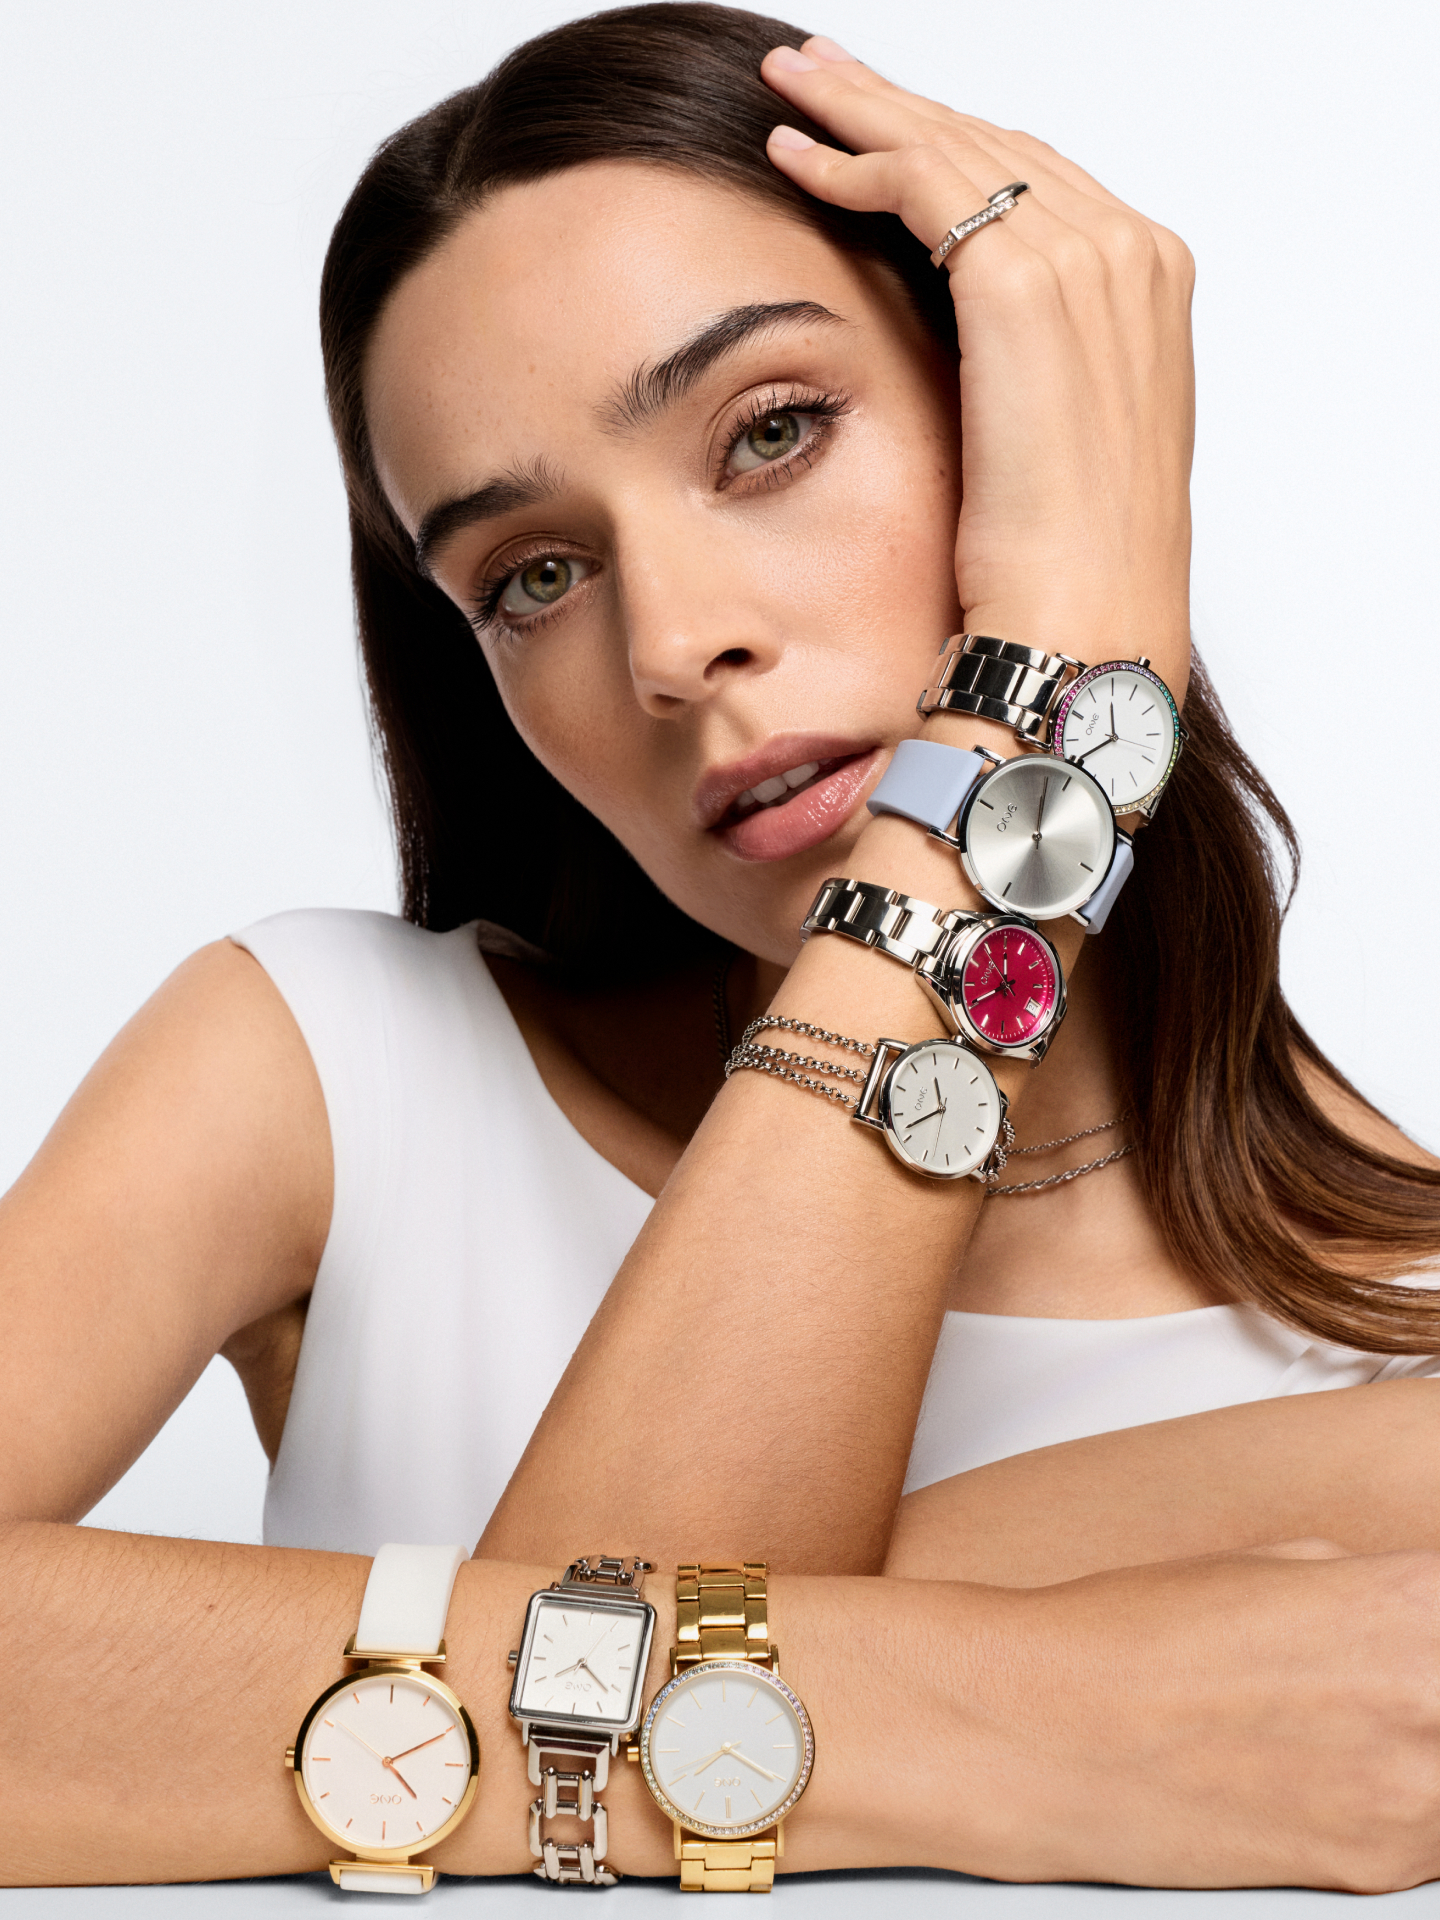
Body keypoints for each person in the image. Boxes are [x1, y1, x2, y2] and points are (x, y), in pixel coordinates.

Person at [7, 1, 1440, 1894]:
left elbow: (625, 1625)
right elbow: (675, 1646)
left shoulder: (1405, 1342)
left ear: (1029, 428)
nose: (674, 645)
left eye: (770, 433)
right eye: (532, 575)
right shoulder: (332, 1076)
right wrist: (1018, 1716)